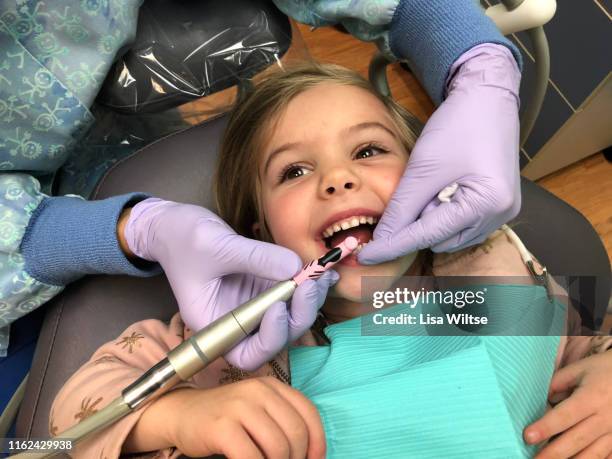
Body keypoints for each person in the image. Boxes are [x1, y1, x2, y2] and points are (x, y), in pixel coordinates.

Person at [50, 63, 612, 459]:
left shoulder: (487, 262)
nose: (339, 179)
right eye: (293, 171)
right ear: (258, 233)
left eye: (369, 150)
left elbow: (581, 341)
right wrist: (181, 417)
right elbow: (57, 431)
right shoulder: (238, 328)